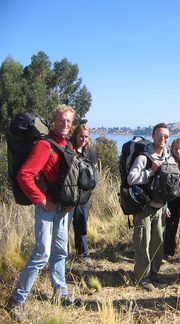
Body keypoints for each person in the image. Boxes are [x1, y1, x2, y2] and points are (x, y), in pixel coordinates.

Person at [5, 105, 78, 321]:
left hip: (62, 207)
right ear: (54, 120)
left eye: (68, 121)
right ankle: (17, 300)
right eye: (62, 120)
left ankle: (60, 292)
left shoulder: (67, 145)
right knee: (41, 253)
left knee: (60, 251)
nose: (65, 124)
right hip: (47, 207)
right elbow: (24, 175)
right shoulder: (44, 146)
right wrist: (41, 199)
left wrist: (70, 201)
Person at [127, 122, 174, 291]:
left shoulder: (169, 157)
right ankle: (142, 277)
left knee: (158, 242)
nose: (163, 139)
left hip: (161, 206)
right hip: (145, 206)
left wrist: (166, 204)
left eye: (166, 136)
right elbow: (131, 179)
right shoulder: (144, 157)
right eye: (159, 135)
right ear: (153, 136)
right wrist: (150, 171)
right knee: (142, 242)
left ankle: (154, 274)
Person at [69, 124, 97, 266]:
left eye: (86, 137)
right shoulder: (69, 149)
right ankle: (61, 255)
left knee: (81, 224)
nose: (84, 139)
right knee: (64, 226)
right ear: (75, 135)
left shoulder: (89, 152)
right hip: (69, 194)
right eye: (81, 136)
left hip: (84, 196)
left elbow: (93, 172)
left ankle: (83, 254)